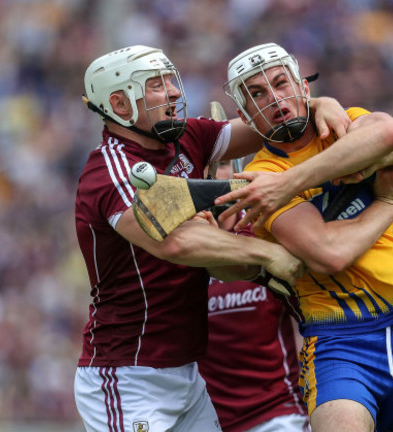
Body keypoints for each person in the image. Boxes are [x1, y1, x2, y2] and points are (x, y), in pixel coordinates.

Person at [73, 44, 355, 432]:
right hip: (128, 375)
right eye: (155, 85)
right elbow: (176, 242)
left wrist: (318, 103)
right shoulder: (112, 170)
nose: (173, 91)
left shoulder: (189, 138)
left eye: (171, 80)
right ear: (120, 105)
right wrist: (268, 255)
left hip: (186, 373)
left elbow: (265, 125)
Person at [220, 42, 393, 432]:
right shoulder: (260, 178)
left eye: (281, 84)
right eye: (257, 94)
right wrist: (386, 201)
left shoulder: (344, 124)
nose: (274, 99)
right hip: (338, 343)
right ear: (245, 115)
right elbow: (330, 252)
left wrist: (360, 160)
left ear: (304, 89)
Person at [198, 160, 309, 432]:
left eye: (221, 163)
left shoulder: (267, 230)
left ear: (237, 169)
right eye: (203, 164)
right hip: (207, 422)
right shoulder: (177, 249)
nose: (212, 174)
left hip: (278, 415)